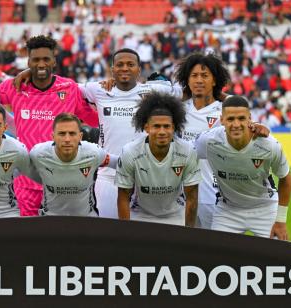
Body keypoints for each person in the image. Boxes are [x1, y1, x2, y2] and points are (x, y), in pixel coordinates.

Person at [0, 35, 99, 216]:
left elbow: (93, 119)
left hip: (61, 184)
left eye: (46, 59)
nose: (41, 64)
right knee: (27, 238)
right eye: (36, 60)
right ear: (28, 61)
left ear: (54, 61)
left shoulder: (69, 88)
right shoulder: (15, 86)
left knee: (59, 239)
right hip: (25, 184)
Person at [80, 48, 182, 218]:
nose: (125, 68)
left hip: (144, 177)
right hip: (108, 178)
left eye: (130, 64)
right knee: (112, 234)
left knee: (141, 236)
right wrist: (27, 73)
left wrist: (226, 99)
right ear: (112, 70)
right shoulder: (97, 89)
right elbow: (64, 88)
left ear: (139, 70)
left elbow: (189, 92)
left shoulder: (154, 90)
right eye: (120, 65)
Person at [174, 52, 269, 229]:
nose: (199, 80)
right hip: (180, 196)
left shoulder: (226, 111)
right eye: (194, 76)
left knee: (213, 252)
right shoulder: (177, 109)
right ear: (187, 80)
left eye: (205, 75)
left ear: (215, 80)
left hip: (214, 196)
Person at [196, 96, 291, 240]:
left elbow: (285, 178)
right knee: (216, 259)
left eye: (241, 118)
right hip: (227, 210)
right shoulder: (208, 141)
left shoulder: (269, 144)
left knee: (279, 257)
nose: (236, 124)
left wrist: (281, 220)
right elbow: (185, 154)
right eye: (230, 119)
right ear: (222, 120)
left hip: (265, 208)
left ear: (250, 119)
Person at [115, 92, 201, 227]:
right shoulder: (130, 152)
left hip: (175, 215)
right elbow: (123, 197)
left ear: (173, 127)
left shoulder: (187, 150)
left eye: (166, 126)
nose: (162, 131)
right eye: (156, 126)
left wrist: (189, 232)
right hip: (141, 215)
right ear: (146, 127)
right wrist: (127, 232)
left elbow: (192, 197)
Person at [29, 113, 115, 216]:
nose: (67, 139)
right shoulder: (39, 154)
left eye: (72, 133)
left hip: (87, 220)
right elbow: (17, 167)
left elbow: (119, 163)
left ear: (80, 136)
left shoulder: (94, 153)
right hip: (50, 220)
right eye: (61, 133)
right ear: (53, 136)